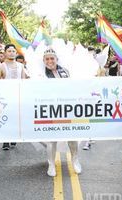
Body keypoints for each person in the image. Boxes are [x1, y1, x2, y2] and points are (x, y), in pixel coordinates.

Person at [43, 48, 82, 177]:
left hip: (66, 108)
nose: (50, 61)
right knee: (51, 139)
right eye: (47, 59)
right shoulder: (41, 74)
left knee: (72, 137)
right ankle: (51, 164)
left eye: (52, 58)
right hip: (50, 109)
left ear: (56, 59)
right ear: (44, 60)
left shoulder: (65, 71)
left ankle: (75, 160)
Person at [0, 44, 27, 150]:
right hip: (5, 97)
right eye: (9, 51)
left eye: (13, 51)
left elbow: (23, 81)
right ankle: (5, 141)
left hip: (18, 96)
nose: (11, 53)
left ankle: (14, 137)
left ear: (16, 53)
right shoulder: (0, 67)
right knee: (5, 119)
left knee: (16, 118)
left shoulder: (21, 66)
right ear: (5, 53)